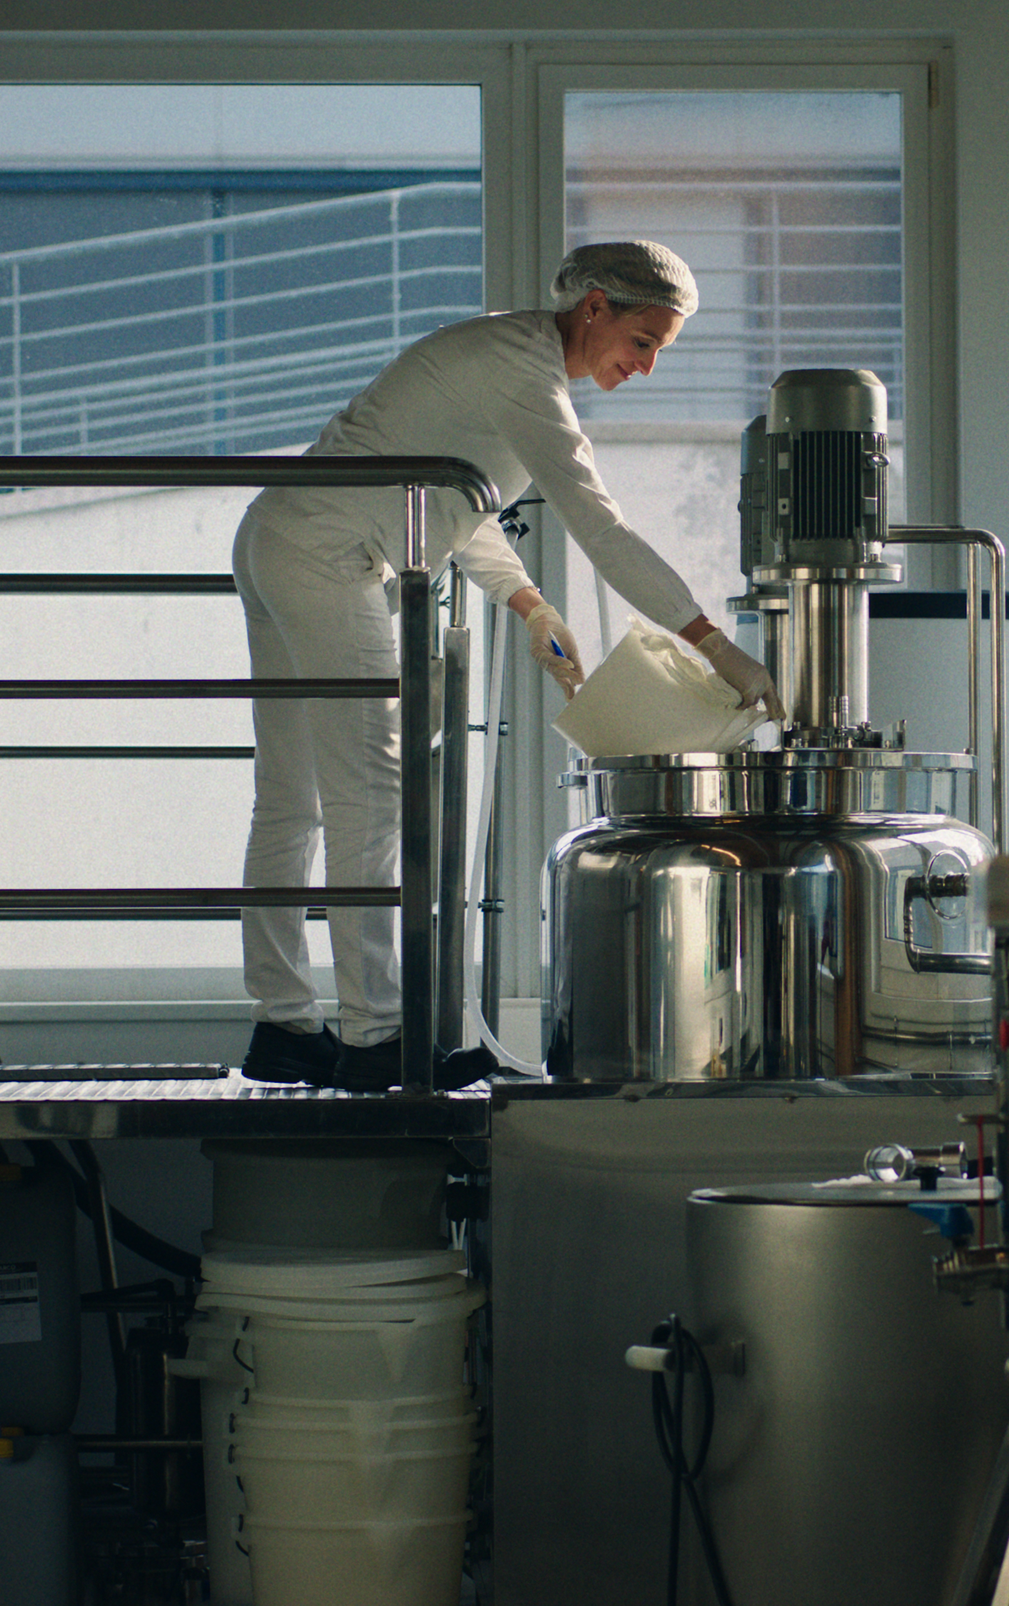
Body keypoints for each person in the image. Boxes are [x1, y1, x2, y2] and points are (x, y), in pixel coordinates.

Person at [231, 241, 780, 1092]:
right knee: (369, 793)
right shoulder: (525, 373)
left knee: (292, 799)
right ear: (593, 306)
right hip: (327, 557)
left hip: (279, 538)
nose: (643, 367)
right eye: (642, 341)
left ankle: (283, 1026)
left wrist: (530, 606)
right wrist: (714, 643)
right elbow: (601, 527)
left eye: (658, 354)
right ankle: (377, 1037)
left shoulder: (509, 361)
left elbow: (457, 497)